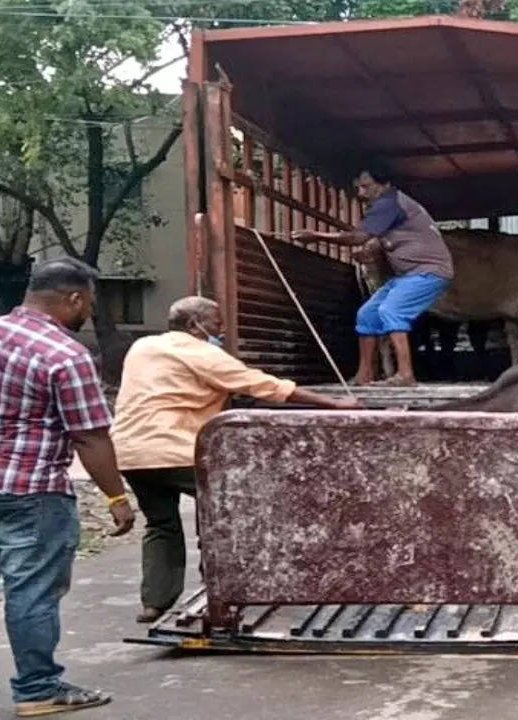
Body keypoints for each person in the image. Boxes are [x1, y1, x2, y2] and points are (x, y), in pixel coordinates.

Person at [0, 258, 135, 716]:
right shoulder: (65, 353)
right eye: (90, 303)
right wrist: (117, 497)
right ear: (74, 298)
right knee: (32, 589)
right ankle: (38, 689)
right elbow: (89, 435)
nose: (88, 312)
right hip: (28, 489)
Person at [111, 296, 360, 623]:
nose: (222, 331)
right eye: (216, 324)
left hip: (131, 452)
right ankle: (221, 591)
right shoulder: (201, 352)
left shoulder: (142, 347)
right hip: (176, 448)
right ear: (193, 325)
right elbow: (262, 385)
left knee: (161, 524)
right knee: (225, 513)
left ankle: (154, 602)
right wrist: (333, 404)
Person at [293, 168, 454, 386]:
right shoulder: (387, 206)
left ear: (385, 183)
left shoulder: (389, 203)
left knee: (391, 310)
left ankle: (406, 375)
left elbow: (358, 237)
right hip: (407, 275)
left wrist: (316, 236)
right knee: (367, 314)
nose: (361, 192)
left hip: (428, 271)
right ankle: (365, 374)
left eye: (366, 187)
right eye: (358, 188)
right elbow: (371, 237)